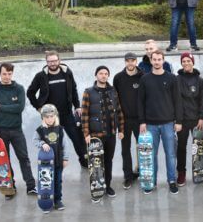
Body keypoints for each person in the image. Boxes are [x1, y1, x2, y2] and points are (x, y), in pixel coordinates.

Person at [27, 51, 87, 169]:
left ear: (59, 60)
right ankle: (52, 163)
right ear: (46, 62)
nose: (52, 63)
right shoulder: (41, 76)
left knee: (77, 138)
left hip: (67, 113)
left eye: (54, 61)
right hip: (50, 117)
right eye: (50, 61)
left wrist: (77, 106)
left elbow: (73, 90)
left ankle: (84, 161)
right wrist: (38, 107)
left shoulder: (67, 73)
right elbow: (30, 92)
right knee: (52, 141)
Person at [0, 63, 37, 199]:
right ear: (0, 74)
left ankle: (31, 186)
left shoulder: (19, 89)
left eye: (9, 74)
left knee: (24, 158)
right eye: (4, 74)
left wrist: (1, 107)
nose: (7, 76)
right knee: (5, 161)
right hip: (1, 132)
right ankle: (10, 187)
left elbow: (19, 108)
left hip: (16, 130)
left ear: (12, 74)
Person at [138, 50, 183, 195]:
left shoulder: (172, 78)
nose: (157, 62)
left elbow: (177, 100)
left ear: (163, 61)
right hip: (150, 124)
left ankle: (171, 181)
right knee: (151, 155)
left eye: (159, 59)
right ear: (150, 61)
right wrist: (142, 122)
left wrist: (178, 120)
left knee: (170, 154)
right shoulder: (145, 79)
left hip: (168, 123)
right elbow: (140, 102)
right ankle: (152, 181)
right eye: (154, 59)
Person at [81, 66, 125, 202]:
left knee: (108, 161)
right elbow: (84, 114)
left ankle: (108, 186)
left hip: (111, 134)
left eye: (106, 74)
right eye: (101, 73)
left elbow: (119, 111)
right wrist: (86, 134)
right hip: (95, 136)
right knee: (96, 163)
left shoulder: (113, 91)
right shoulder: (88, 92)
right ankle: (97, 187)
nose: (103, 76)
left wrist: (121, 130)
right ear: (96, 75)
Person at [176, 52, 203, 186]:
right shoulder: (177, 80)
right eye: (183, 61)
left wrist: (202, 118)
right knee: (181, 147)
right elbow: (175, 102)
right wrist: (177, 121)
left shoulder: (201, 81)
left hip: (197, 120)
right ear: (181, 63)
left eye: (188, 61)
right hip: (182, 121)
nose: (186, 63)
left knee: (201, 146)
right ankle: (181, 172)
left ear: (193, 62)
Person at [113, 52, 144, 189]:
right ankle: (128, 176)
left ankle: (143, 173)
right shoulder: (118, 78)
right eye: (128, 61)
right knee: (125, 149)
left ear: (136, 61)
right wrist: (118, 123)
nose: (130, 63)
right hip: (124, 121)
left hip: (139, 120)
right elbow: (115, 100)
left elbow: (146, 99)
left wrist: (145, 120)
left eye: (133, 61)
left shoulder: (143, 76)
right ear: (125, 62)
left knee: (142, 148)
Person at [33, 104, 68, 212]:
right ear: (43, 118)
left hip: (58, 161)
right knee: (47, 182)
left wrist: (65, 158)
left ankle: (57, 201)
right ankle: (46, 201)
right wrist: (42, 143)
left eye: (52, 116)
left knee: (58, 182)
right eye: (47, 117)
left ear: (55, 116)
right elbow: (35, 141)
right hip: (46, 164)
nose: (49, 119)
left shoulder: (60, 129)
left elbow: (65, 145)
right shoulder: (40, 130)